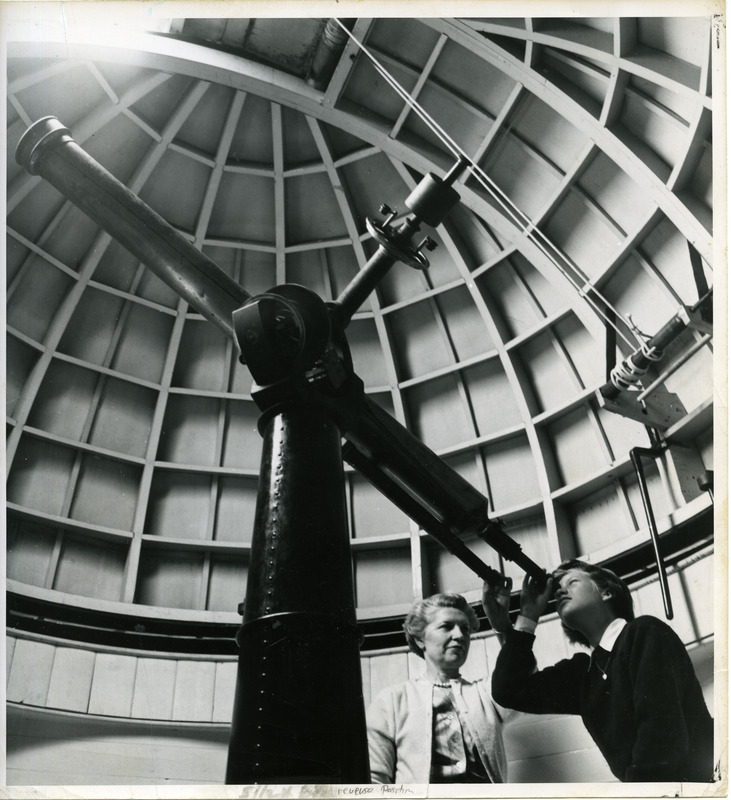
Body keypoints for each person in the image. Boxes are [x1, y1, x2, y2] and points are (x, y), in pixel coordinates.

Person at [482, 560, 714, 783]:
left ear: (606, 592)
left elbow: (662, 739)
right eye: (557, 591)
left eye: (572, 582)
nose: (560, 591)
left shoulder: (643, 633)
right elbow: (508, 690)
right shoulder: (583, 675)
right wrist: (527, 615)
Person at [366, 591, 514, 784]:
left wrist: (503, 625)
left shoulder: (486, 694)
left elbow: (520, 681)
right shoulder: (392, 700)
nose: (459, 635)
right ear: (420, 639)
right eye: (446, 626)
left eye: (465, 629)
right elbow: (375, 779)